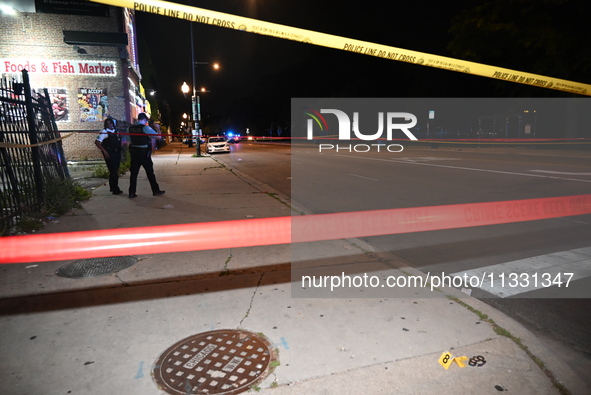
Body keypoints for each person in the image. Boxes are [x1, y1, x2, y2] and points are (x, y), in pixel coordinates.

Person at [128, 113, 165, 198]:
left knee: (133, 174)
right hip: (144, 153)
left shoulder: (130, 128)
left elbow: (128, 141)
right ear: (144, 119)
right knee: (150, 173)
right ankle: (155, 190)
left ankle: (132, 192)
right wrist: (158, 129)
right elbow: (158, 137)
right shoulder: (145, 128)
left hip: (134, 152)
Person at [95, 118, 125, 195]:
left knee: (114, 171)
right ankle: (115, 189)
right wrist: (104, 151)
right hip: (109, 153)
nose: (109, 125)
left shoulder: (116, 131)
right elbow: (97, 142)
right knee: (113, 171)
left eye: (110, 123)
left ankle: (112, 187)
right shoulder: (104, 132)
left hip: (116, 152)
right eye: (107, 124)